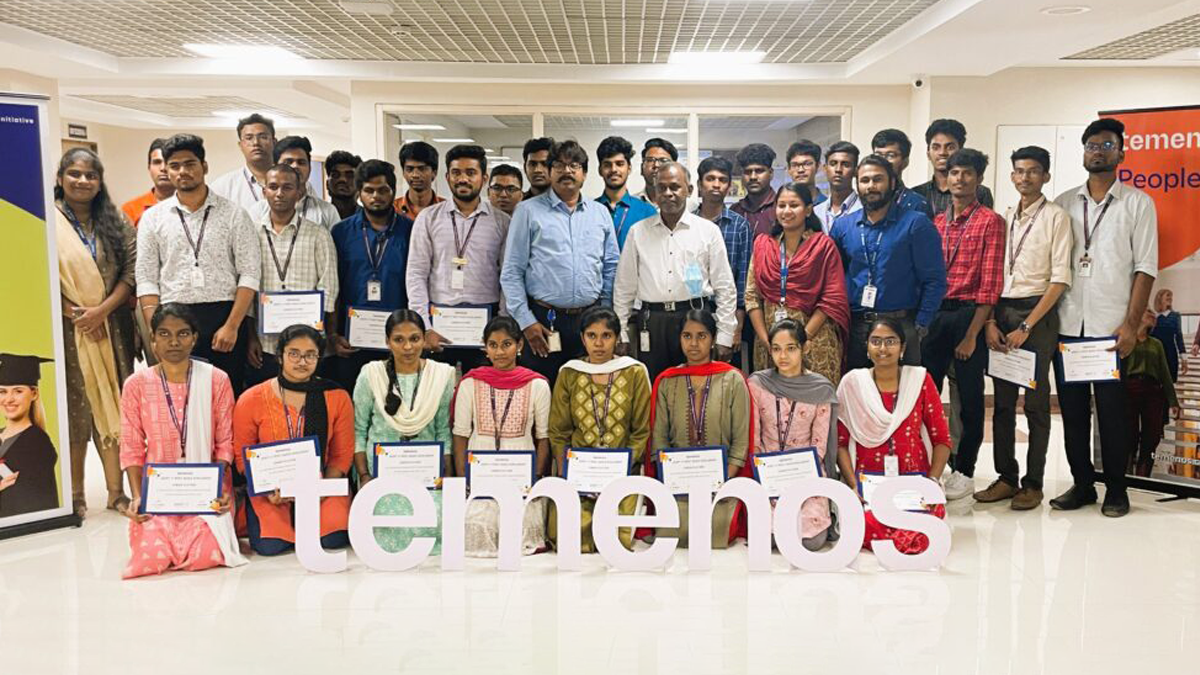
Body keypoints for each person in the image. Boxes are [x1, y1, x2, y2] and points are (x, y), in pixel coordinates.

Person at [1051, 118, 1158, 518]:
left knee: (1114, 415)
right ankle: (1082, 484)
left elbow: (1145, 268)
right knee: (1073, 413)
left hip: (1110, 331)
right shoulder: (1064, 202)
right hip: (1068, 325)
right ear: (1083, 153)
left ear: (1121, 154)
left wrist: (1131, 324)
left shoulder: (1138, 204)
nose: (1098, 151)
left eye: (1107, 145)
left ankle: (1116, 488)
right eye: (1091, 145)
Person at [117, 304, 248, 578]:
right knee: (151, 557)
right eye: (164, 334)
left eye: (182, 334)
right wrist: (138, 497)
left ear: (194, 338)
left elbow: (225, 442)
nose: (174, 341)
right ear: (152, 339)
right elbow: (131, 446)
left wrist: (219, 489)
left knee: (205, 554)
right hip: (159, 491)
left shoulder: (216, 380)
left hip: (207, 489)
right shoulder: (136, 384)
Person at [977, 146, 1072, 510]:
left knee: (1035, 404)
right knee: (1002, 404)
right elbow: (991, 274)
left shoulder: (1056, 217)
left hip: (1037, 313)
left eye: (1033, 171)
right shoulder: (1004, 217)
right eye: (1019, 171)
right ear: (1012, 176)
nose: (1025, 177)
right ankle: (1006, 477)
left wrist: (1027, 326)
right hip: (1002, 311)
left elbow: (1059, 280)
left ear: (1045, 176)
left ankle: (1033, 484)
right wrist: (990, 321)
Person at [135, 133, 261, 396]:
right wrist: (156, 330)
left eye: (190, 164)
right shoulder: (153, 218)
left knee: (225, 397)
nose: (182, 171)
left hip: (223, 320)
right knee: (179, 398)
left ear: (204, 166)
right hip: (173, 319)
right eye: (175, 166)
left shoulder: (234, 214)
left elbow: (249, 273)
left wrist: (232, 326)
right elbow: (146, 278)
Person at [55, 147, 137, 516]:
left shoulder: (116, 221)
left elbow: (130, 273)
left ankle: (116, 492)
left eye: (91, 175)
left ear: (100, 182)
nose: (83, 181)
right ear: (60, 178)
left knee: (115, 404)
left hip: (112, 327)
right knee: (76, 409)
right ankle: (74, 494)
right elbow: (34, 272)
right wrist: (74, 312)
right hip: (67, 329)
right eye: (74, 173)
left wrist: (101, 312)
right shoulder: (46, 222)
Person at [500, 139, 620, 386]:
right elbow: (511, 272)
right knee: (543, 390)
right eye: (559, 165)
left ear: (584, 173)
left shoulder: (599, 213)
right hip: (544, 322)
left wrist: (606, 311)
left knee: (589, 392)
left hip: (591, 321)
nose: (567, 171)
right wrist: (527, 322)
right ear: (549, 171)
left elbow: (611, 266)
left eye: (574, 165)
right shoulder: (527, 211)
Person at [923, 148, 1005, 501]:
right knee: (927, 394)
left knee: (970, 401)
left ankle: (966, 471)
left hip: (969, 315)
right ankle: (929, 465)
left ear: (979, 178)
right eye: (954, 172)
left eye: (967, 173)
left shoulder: (990, 221)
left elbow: (990, 284)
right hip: (936, 315)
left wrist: (972, 334)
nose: (959, 179)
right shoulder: (937, 222)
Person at [234, 324, 352, 556]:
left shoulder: (336, 396)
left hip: (322, 485)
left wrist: (321, 490)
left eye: (310, 355)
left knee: (331, 540)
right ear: (280, 356)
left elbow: (341, 454)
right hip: (272, 491)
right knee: (271, 546)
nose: (302, 362)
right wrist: (268, 490)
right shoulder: (251, 399)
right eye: (294, 354)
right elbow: (241, 455)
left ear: (319, 357)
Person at [835, 318, 951, 555]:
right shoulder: (852, 383)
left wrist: (931, 482)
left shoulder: (920, 380)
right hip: (868, 483)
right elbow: (840, 444)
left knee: (929, 519)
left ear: (903, 348)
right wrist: (853, 486)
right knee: (864, 522)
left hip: (914, 482)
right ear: (867, 347)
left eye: (890, 342)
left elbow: (941, 439)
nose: (883, 348)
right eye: (876, 341)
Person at [613, 162, 737, 380]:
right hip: (652, 322)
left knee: (697, 385)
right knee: (656, 384)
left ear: (689, 190)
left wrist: (725, 335)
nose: (668, 193)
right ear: (654, 192)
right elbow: (624, 288)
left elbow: (725, 287)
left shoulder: (708, 231)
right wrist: (621, 332)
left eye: (675, 187)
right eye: (662, 188)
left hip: (695, 319)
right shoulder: (638, 232)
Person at [547, 307, 651, 553]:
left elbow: (641, 430)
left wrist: (622, 467)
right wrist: (567, 471)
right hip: (580, 472)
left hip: (622, 472)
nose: (599, 343)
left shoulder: (634, 372)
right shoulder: (570, 373)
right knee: (570, 538)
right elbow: (559, 431)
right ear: (582, 338)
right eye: (592, 336)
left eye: (606, 335)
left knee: (617, 539)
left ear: (617, 338)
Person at [647, 309, 753, 549]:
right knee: (674, 534)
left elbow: (741, 441)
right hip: (676, 485)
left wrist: (723, 481)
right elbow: (659, 439)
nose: (694, 343)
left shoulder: (732, 379)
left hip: (722, 485)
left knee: (713, 534)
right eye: (687, 336)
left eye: (701, 336)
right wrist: (672, 481)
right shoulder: (667, 381)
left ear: (713, 339)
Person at [352, 310, 456, 554]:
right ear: (387, 341)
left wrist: (448, 478)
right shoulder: (371, 374)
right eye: (399, 339)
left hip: (427, 471)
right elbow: (359, 430)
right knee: (386, 520)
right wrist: (364, 476)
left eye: (415, 338)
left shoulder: (440, 375)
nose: (408, 347)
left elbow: (443, 430)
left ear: (424, 339)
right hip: (380, 472)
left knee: (437, 518)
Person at [828, 155, 946, 370]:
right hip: (858, 326)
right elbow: (833, 277)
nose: (871, 186)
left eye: (878, 179)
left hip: (901, 324)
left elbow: (934, 279)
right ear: (857, 185)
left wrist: (921, 325)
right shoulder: (843, 226)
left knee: (904, 388)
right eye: (864, 180)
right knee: (857, 387)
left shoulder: (916, 224)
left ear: (892, 183)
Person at [407, 145, 510, 373]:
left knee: (482, 388)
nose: (463, 179)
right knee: (437, 389)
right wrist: (424, 326)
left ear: (484, 178)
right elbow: (416, 274)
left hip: (487, 324)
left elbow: (507, 277)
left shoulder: (502, 222)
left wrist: (501, 325)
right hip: (438, 323)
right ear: (447, 177)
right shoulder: (428, 218)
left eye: (470, 173)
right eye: (456, 173)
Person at [453, 316, 551, 557]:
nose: (499, 352)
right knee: (478, 527)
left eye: (506, 344)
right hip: (480, 474)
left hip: (521, 475)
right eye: (493, 345)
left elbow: (543, 437)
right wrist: (465, 481)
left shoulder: (537, 385)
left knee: (522, 531)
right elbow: (460, 435)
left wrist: (535, 479)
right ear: (485, 347)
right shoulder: (470, 383)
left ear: (519, 345)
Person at [745, 183, 849, 386]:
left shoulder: (823, 246)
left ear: (808, 210)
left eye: (794, 205)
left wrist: (801, 340)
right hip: (771, 344)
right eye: (781, 205)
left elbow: (831, 298)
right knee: (772, 402)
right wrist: (767, 340)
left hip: (814, 342)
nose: (786, 211)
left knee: (816, 401)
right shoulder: (763, 245)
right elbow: (751, 296)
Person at [747, 320, 838, 550]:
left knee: (811, 540)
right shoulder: (758, 384)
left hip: (806, 472)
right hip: (767, 472)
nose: (783, 356)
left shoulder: (821, 389)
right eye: (776, 349)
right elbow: (754, 439)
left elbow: (819, 445)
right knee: (766, 538)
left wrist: (797, 474)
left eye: (790, 348)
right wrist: (767, 474)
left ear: (805, 348)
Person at [246, 164, 338, 386]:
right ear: (264, 191)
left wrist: (324, 336)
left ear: (299, 192)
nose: (279, 193)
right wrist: (250, 337)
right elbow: (246, 288)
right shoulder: (251, 234)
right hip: (265, 343)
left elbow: (329, 287)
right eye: (273, 187)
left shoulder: (318, 234)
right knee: (269, 399)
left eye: (287, 187)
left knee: (306, 399)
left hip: (308, 344)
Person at [330, 160, 414, 392]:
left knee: (395, 399)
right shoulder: (341, 232)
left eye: (383, 190)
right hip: (352, 338)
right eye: (369, 190)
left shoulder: (411, 230)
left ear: (393, 191)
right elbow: (333, 287)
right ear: (359, 193)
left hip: (399, 335)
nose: (376, 196)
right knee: (354, 399)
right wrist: (333, 334)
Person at [694, 156, 753, 364]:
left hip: (727, 312)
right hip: (693, 310)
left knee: (724, 371)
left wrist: (737, 325)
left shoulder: (739, 226)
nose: (716, 184)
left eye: (722, 179)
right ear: (699, 184)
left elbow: (743, 278)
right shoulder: (687, 223)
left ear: (729, 186)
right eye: (710, 178)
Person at [0, 354, 59, 518]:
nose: (9, 399)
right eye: (2, 391)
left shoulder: (38, 444)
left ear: (34, 394)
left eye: (18, 391)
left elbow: (29, 499)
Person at [1126, 310, 1180, 478]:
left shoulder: (1156, 344)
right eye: (1147, 311)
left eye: (1153, 313)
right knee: (1129, 434)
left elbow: (1165, 373)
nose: (1152, 315)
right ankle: (1127, 474)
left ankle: (1144, 476)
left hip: (1153, 391)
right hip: (1130, 389)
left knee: (1152, 435)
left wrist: (1173, 401)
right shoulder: (1127, 340)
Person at [250, 136, 342, 230]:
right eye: (288, 162)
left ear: (310, 168)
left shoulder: (328, 211)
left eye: (301, 162)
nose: (295, 166)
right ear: (275, 167)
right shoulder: (259, 211)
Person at [913, 119, 994, 215]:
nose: (942, 153)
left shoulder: (980, 192)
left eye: (950, 147)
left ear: (961, 151)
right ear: (928, 153)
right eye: (936, 147)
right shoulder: (917, 194)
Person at [595, 135, 657, 249]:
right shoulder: (589, 211)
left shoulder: (647, 212)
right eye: (607, 165)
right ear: (600, 170)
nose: (614, 169)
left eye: (619, 164)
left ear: (629, 168)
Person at [209, 113, 276, 212]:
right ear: (240, 145)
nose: (256, 143)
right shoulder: (223, 187)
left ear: (274, 142)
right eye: (249, 138)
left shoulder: (291, 181)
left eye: (263, 137)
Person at [871, 129, 933, 219]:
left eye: (890, 155)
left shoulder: (918, 204)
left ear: (905, 161)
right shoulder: (865, 199)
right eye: (878, 155)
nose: (883, 161)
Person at [121, 138, 174, 227]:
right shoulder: (130, 209)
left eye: (169, 162)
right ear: (149, 167)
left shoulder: (192, 206)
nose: (163, 168)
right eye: (157, 162)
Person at [732, 143, 779, 240]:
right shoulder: (735, 211)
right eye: (747, 172)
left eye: (759, 171)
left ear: (770, 173)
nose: (753, 177)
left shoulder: (781, 208)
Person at [812, 141, 862, 232]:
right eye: (833, 164)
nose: (838, 169)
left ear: (856, 171)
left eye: (846, 165)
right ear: (825, 169)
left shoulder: (864, 209)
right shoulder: (816, 212)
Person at [393, 141, 444, 220]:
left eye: (422, 169)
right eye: (409, 169)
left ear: (434, 172)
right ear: (403, 172)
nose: (415, 175)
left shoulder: (446, 209)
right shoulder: (393, 209)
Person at [1151, 289, 1186, 381]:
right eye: (1167, 295)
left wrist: (1184, 358)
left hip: (1170, 353)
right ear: (1160, 298)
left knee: (1170, 381)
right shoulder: (1153, 316)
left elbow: (1179, 337)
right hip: (1155, 354)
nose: (1170, 298)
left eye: (1171, 296)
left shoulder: (1175, 316)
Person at [636, 137, 679, 205]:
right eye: (650, 160)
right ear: (642, 169)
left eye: (663, 161)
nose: (656, 165)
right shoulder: (629, 206)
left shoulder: (688, 206)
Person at [785, 139, 827, 205]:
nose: (801, 170)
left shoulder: (827, 206)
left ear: (818, 166)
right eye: (795, 165)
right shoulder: (782, 207)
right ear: (789, 169)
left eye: (807, 164)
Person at [325, 150, 363, 221]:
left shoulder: (371, 219)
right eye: (335, 175)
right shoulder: (318, 218)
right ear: (327, 184)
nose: (342, 179)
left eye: (350, 175)